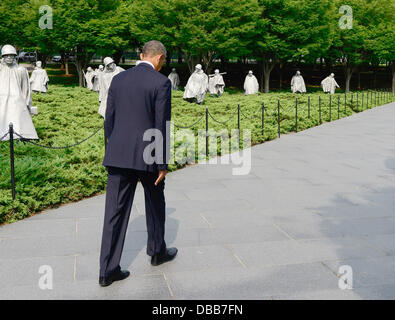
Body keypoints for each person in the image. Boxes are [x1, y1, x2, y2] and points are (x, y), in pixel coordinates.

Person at [99, 40, 177, 287]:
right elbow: (161, 126)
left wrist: (114, 147)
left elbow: (108, 120)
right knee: (155, 203)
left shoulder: (118, 80)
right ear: (160, 59)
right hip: (148, 156)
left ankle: (107, 270)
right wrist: (162, 163)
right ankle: (157, 252)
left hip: (118, 155)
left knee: (114, 213)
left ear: (142, 55)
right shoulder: (161, 82)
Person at [0, 45, 38, 141]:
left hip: (17, 100)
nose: (9, 58)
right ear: (3, 57)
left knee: (19, 119)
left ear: (15, 57)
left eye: (12, 55)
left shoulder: (21, 70)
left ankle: (21, 136)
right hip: (2, 99)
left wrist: (27, 102)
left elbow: (25, 88)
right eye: (7, 55)